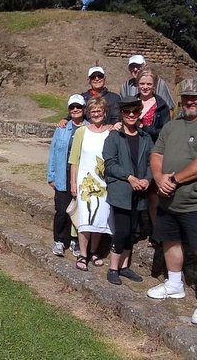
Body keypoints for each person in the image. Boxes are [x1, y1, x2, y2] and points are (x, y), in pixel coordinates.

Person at [147, 78, 197, 326]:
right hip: (170, 199)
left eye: (195, 97)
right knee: (170, 240)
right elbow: (156, 153)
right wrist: (159, 177)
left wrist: (174, 179)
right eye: (186, 97)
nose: (190, 101)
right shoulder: (172, 126)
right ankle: (174, 283)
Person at [103, 97, 153, 285]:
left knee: (133, 231)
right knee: (122, 231)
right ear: (122, 114)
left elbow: (151, 161)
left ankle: (124, 266)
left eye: (134, 111)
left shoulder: (145, 138)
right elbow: (110, 163)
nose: (131, 115)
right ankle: (113, 268)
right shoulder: (114, 137)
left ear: (139, 113)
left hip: (139, 191)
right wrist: (130, 178)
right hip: (121, 191)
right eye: (127, 112)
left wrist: (147, 179)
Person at [68, 97, 114, 271]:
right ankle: (82, 253)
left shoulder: (110, 132)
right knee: (85, 218)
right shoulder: (81, 132)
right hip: (84, 182)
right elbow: (74, 160)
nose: (96, 114)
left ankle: (94, 251)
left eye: (99, 111)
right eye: (93, 111)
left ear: (104, 112)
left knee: (99, 218)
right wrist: (73, 182)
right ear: (89, 113)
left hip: (103, 182)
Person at [47, 94, 87, 257]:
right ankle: (59, 240)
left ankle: (75, 240)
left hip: (82, 174)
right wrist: (51, 175)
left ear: (84, 109)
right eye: (72, 107)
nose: (75, 110)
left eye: (78, 107)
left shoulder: (90, 128)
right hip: (63, 173)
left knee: (80, 210)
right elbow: (53, 151)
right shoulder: (62, 128)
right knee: (62, 210)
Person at [134, 67, 171, 245]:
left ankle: (157, 232)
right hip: (133, 150)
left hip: (154, 151)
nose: (145, 87)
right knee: (134, 190)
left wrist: (144, 128)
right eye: (142, 83)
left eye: (149, 84)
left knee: (154, 195)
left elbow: (165, 131)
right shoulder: (131, 102)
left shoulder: (161, 105)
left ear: (154, 85)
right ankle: (136, 229)